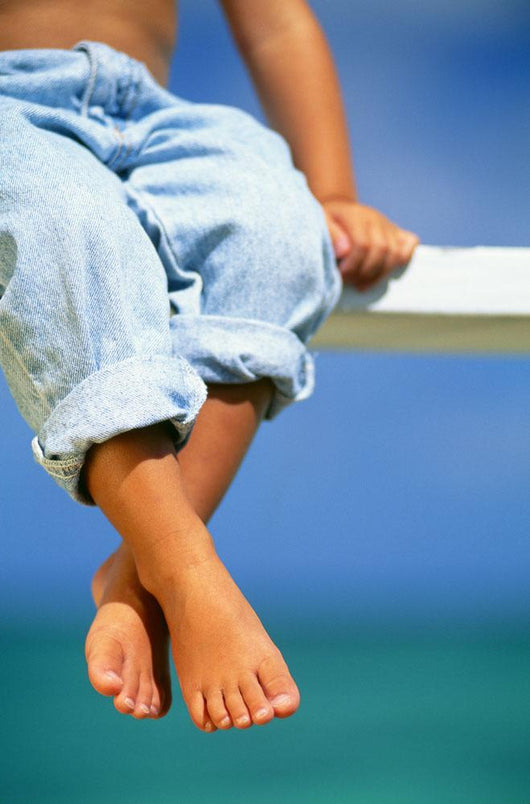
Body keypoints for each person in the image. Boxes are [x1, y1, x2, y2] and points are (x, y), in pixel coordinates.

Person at [0, 0, 419, 731]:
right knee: (66, 221)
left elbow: (276, 23)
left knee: (274, 228)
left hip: (153, 114)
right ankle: (186, 568)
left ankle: (139, 573)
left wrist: (334, 193)